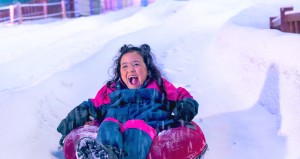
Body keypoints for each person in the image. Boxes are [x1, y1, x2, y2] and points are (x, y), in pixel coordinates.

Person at [57, 44, 199, 159]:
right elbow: (91, 106)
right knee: (108, 125)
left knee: (135, 129)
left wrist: (185, 107)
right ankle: (104, 154)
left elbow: (182, 96)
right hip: (115, 124)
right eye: (124, 66)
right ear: (120, 72)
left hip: (145, 125)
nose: (130, 69)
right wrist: (68, 125)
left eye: (136, 64)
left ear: (147, 68)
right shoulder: (112, 90)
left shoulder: (159, 86)